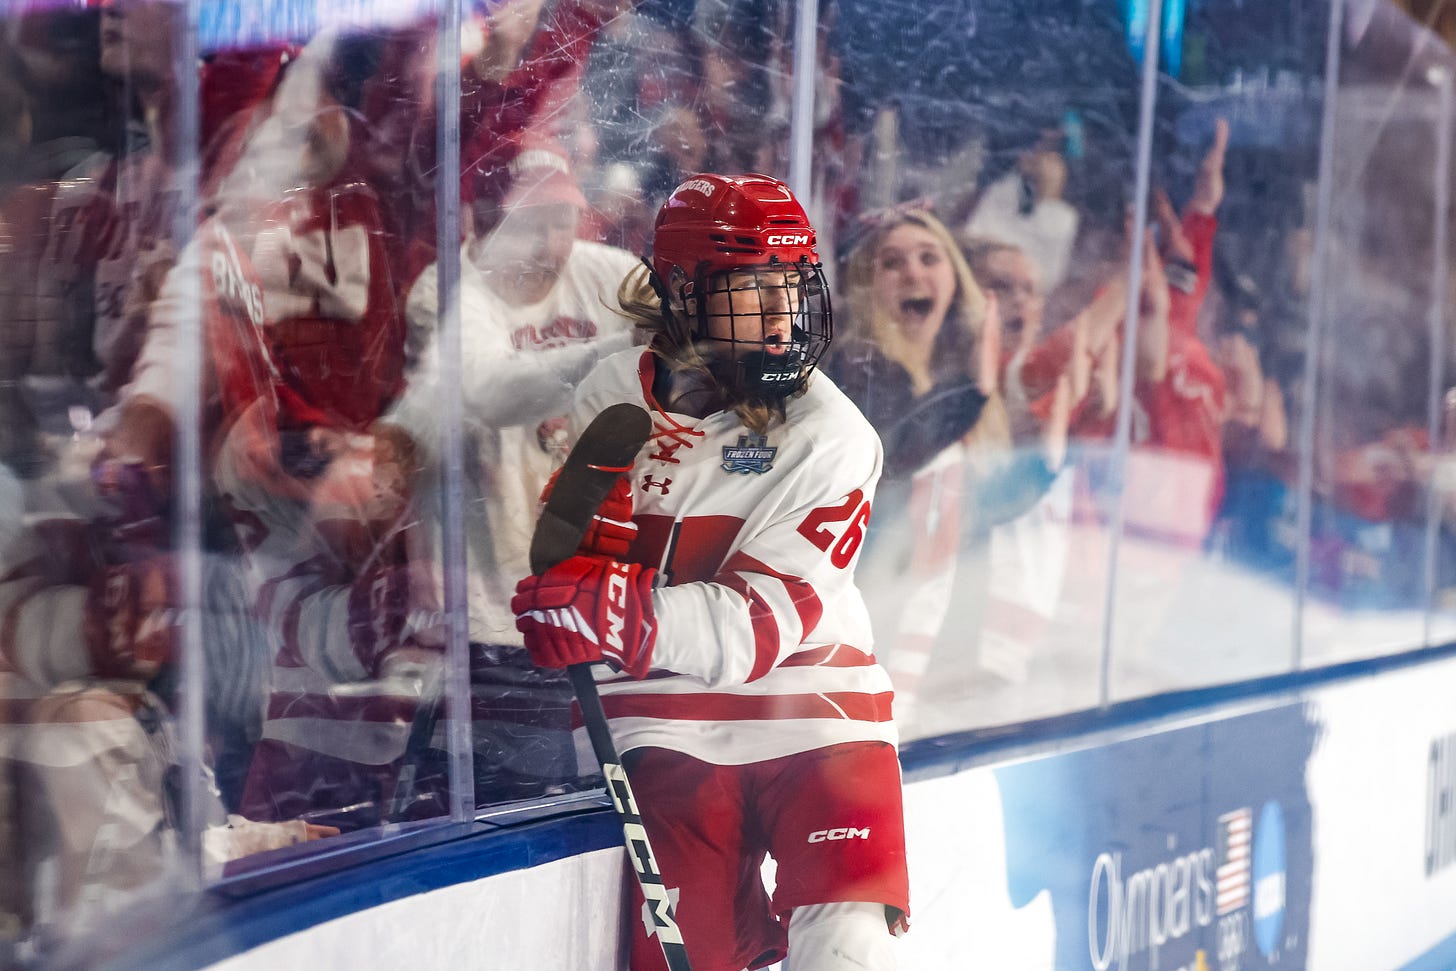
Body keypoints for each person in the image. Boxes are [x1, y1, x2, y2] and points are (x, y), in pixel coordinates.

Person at [510, 173, 909, 970]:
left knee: (850, 955)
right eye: (754, 289)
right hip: (662, 719)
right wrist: (561, 599)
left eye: (791, 287)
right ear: (683, 293)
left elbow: (758, 629)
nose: (781, 316)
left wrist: (613, 611)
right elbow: (568, 570)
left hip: (819, 710)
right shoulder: (609, 393)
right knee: (688, 959)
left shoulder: (835, 434)